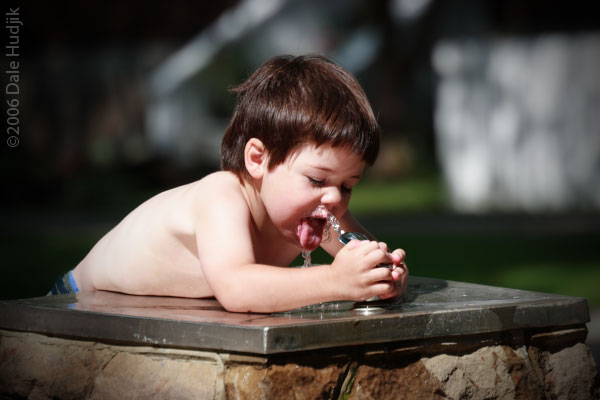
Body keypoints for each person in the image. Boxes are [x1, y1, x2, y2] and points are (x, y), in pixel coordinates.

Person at [51, 55, 408, 313]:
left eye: (348, 185)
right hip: (74, 300)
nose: (333, 198)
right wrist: (335, 282)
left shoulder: (314, 213)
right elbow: (237, 289)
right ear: (258, 160)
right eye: (317, 179)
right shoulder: (221, 196)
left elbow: (362, 255)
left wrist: (384, 276)